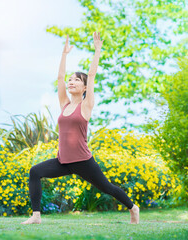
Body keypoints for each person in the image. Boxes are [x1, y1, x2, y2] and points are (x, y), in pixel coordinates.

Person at [21, 32, 140, 224]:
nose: (71, 81)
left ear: (84, 87)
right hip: (64, 161)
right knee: (35, 171)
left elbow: (91, 75)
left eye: (76, 79)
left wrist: (97, 50)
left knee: (107, 187)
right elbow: (59, 78)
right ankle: (36, 216)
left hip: (84, 161)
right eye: (71, 79)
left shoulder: (86, 106)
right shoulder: (64, 105)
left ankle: (133, 208)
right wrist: (64, 54)